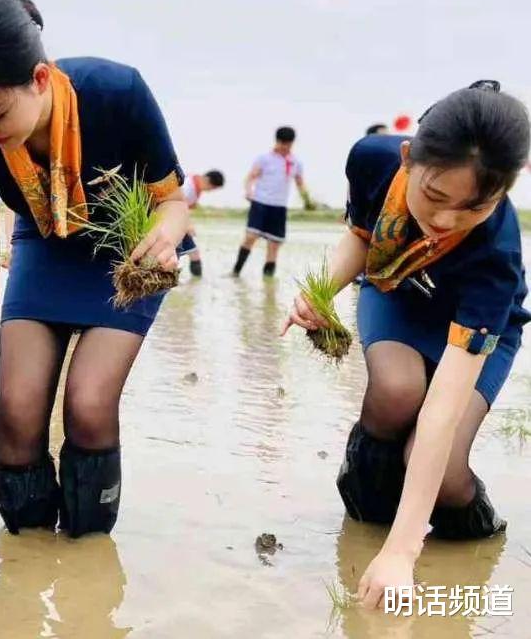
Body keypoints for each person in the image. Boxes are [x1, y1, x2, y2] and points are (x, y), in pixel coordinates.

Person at [0, 0, 190, 538]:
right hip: (45, 246)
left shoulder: (117, 93)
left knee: (89, 403)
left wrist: (164, 238)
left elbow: (172, 203)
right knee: (17, 413)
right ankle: (26, 562)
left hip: (128, 248)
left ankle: (88, 549)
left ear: (41, 79)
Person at [283, 80, 529, 609]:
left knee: (438, 461)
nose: (443, 221)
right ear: (406, 158)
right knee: (395, 392)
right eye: (434, 196)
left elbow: (441, 409)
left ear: (505, 191)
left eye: (473, 209)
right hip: (396, 291)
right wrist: (321, 291)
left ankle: (476, 539)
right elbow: (361, 234)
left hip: (476, 329)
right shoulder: (371, 161)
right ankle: (368, 512)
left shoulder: (496, 260)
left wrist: (403, 552)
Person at [232, 127, 310, 277]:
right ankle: (236, 272)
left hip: (279, 206)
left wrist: (307, 200)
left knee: (274, 245)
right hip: (261, 203)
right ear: (277, 141)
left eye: (288, 144)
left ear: (292, 143)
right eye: (282, 143)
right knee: (250, 238)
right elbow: (250, 177)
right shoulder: (264, 158)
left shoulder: (295, 162)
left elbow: (300, 182)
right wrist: (249, 190)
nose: (284, 147)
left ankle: (268, 282)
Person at [182, 169, 224, 276]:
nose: (210, 191)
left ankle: (193, 285)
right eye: (212, 187)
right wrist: (188, 225)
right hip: (170, 222)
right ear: (207, 179)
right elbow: (178, 205)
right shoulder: (188, 186)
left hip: (178, 224)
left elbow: (187, 207)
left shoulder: (195, 187)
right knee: (193, 253)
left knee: (193, 253)